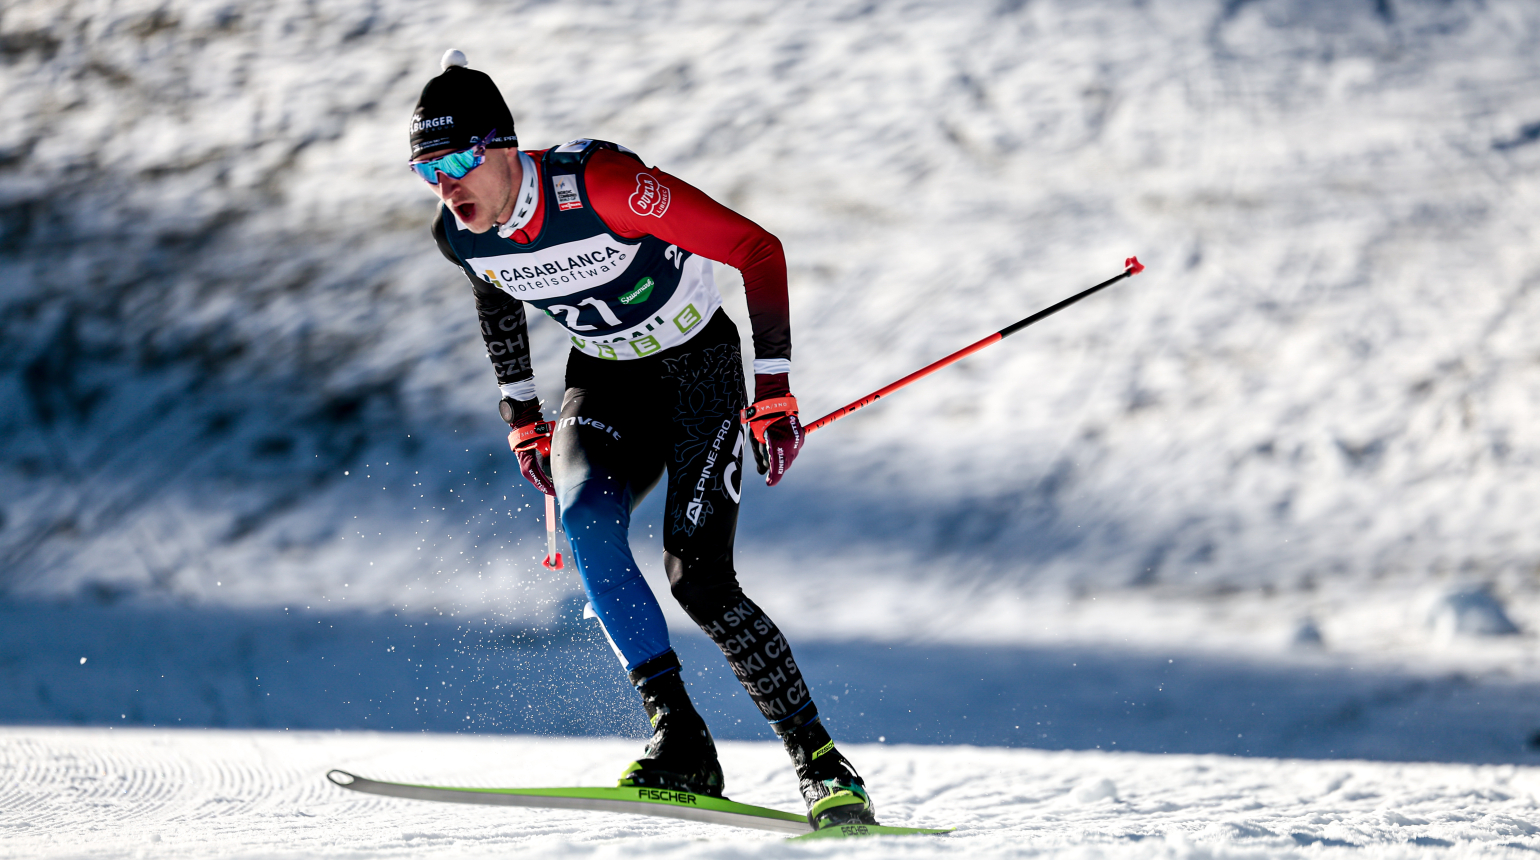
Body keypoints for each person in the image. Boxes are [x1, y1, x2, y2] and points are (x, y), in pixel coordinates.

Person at [407, 50, 876, 829]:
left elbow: (757, 250)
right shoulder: (463, 236)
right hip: (607, 381)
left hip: (698, 372)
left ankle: (822, 763)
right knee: (589, 521)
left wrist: (773, 392)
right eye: (428, 171)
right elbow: (495, 298)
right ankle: (682, 739)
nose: (446, 186)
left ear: (504, 146)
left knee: (699, 579)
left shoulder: (603, 187)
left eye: (457, 162)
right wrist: (522, 416)